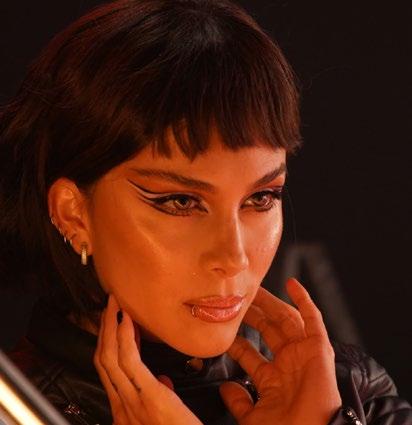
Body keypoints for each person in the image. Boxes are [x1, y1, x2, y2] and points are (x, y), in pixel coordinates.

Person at [1, 0, 411, 424]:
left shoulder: (349, 394)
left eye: (261, 197)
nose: (234, 258)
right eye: (181, 202)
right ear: (73, 214)